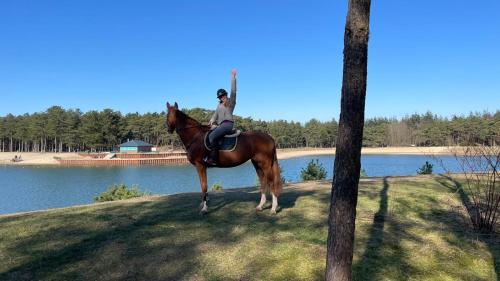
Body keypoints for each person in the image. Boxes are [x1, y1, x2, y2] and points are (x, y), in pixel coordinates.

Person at [204, 69, 237, 165]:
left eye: (222, 96)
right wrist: (211, 120)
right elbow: (215, 114)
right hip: (221, 125)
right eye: (220, 97)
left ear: (226, 95)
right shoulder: (219, 105)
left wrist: (233, 78)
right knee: (207, 133)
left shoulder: (231, 102)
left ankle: (214, 159)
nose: (221, 98)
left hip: (228, 124)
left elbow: (234, 91)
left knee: (212, 136)